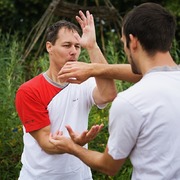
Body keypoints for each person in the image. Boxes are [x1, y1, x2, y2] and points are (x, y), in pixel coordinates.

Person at [49, 3, 180, 180]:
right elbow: (146, 73)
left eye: (123, 43)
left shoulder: (131, 102)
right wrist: (93, 55)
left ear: (133, 42)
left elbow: (108, 166)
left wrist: (71, 147)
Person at [15, 10, 139, 179]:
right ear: (49, 47)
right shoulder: (29, 90)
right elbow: (46, 143)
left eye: (77, 46)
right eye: (67, 46)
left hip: (80, 176)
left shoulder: (84, 82)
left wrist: (92, 46)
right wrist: (74, 143)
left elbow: (108, 94)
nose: (73, 51)